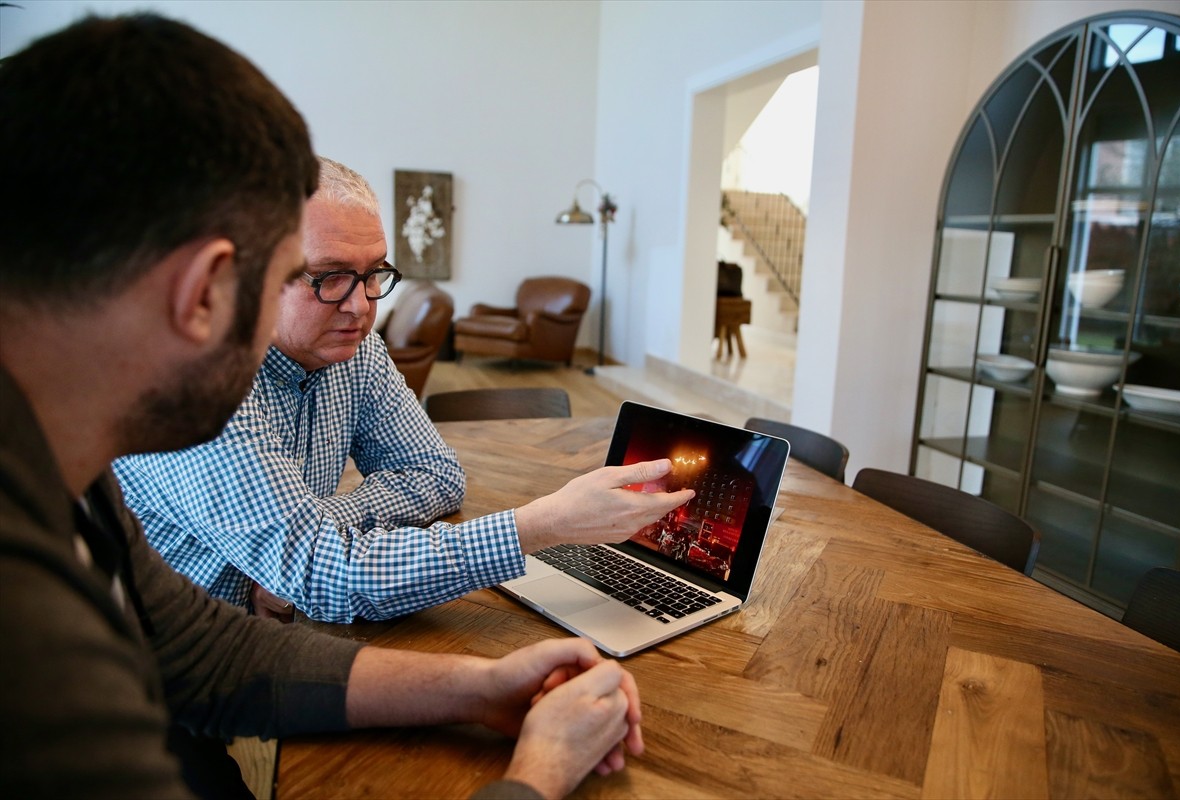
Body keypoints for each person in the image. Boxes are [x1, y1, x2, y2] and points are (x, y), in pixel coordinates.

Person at [0, 14, 690, 799]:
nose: (355, 309)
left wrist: (476, 687)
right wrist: (536, 774)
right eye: (287, 281)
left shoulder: (68, 469)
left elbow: (204, 650)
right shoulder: (27, 633)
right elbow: (313, 580)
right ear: (203, 293)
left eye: (372, 278)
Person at [113, 157, 692, 625]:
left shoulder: (351, 346)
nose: (362, 305)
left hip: (265, 626)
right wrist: (542, 525)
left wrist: (316, 525)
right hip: (146, 662)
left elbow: (436, 475)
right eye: (330, 277)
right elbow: (327, 579)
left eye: (374, 275)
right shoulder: (197, 378)